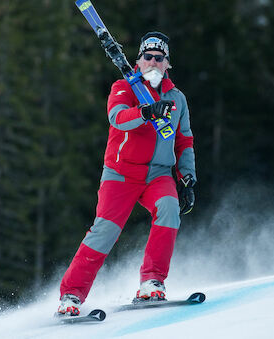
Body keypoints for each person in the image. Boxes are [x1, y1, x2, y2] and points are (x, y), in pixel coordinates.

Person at [57, 31, 196, 316]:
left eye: (160, 59)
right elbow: (117, 118)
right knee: (105, 230)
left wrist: (187, 176)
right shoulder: (124, 87)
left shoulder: (177, 99)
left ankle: (152, 281)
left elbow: (184, 140)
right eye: (149, 57)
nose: (154, 63)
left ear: (168, 64)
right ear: (139, 60)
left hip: (158, 175)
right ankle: (71, 296)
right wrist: (146, 112)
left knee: (169, 208)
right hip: (121, 174)